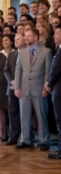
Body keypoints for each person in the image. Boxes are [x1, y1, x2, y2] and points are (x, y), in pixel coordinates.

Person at [15, 28, 52, 150]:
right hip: (24, 89)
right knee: (24, 115)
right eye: (25, 36)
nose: (26, 38)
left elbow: (48, 72)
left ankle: (44, 140)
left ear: (36, 37)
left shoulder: (46, 52)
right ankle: (25, 139)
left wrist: (45, 88)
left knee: (41, 116)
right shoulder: (21, 52)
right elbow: (18, 71)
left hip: (39, 88)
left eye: (28, 36)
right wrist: (17, 87)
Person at [4, 33, 26, 145]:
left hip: (25, 88)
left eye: (18, 39)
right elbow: (6, 70)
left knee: (25, 113)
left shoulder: (29, 53)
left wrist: (20, 83)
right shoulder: (11, 55)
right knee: (12, 112)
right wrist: (11, 81)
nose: (16, 41)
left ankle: (25, 136)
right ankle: (13, 136)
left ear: (25, 40)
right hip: (12, 88)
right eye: (15, 39)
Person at [0, 34, 15, 141]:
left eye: (7, 40)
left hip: (12, 83)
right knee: (1, 109)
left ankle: (13, 133)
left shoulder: (15, 53)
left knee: (11, 109)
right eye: (3, 40)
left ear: (11, 41)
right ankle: (2, 133)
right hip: (0, 84)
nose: (5, 42)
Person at [46, 24, 61, 159]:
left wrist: (48, 83)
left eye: (57, 33)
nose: (54, 36)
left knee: (59, 120)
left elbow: (56, 70)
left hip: (58, 90)